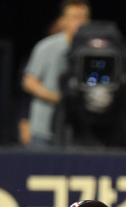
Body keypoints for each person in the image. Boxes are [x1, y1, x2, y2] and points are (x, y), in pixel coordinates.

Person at [23, 0, 90, 148]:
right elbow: (29, 82)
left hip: (79, 130)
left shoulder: (93, 50)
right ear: (63, 21)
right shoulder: (46, 47)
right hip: (45, 130)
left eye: (82, 17)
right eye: (74, 17)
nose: (78, 22)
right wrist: (59, 99)